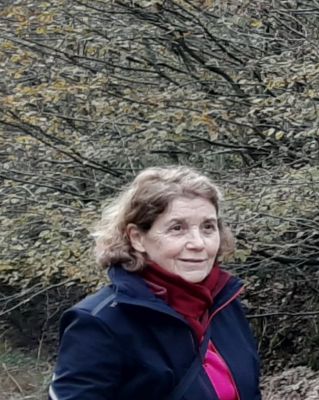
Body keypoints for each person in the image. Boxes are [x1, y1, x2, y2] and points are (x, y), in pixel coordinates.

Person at [52, 166, 260, 400]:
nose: (198, 243)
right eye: (177, 228)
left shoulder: (223, 304)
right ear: (137, 238)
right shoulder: (99, 322)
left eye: (208, 227)